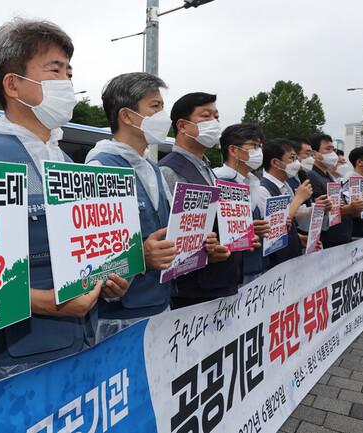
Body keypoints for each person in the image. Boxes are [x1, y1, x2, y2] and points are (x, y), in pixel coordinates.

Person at [0, 19, 129, 384]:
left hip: (85, 348)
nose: (68, 83)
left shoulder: (68, 165)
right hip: (9, 365)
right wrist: (46, 302)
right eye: (54, 70)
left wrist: (111, 277)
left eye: (69, 72)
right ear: (13, 84)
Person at [84, 73, 214, 339]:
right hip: (120, 318)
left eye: (162, 107)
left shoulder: (152, 170)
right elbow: (91, 256)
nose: (163, 116)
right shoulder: (100, 168)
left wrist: (198, 240)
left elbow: (168, 230)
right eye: (155, 107)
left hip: (160, 306)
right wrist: (140, 256)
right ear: (127, 116)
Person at [158, 93, 254, 308]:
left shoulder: (207, 169)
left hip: (219, 282)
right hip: (193, 292)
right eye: (206, 116)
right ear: (182, 125)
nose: (215, 122)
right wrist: (206, 252)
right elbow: (170, 234)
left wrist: (241, 237)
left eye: (217, 117)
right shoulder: (169, 170)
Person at [213, 123, 269, 284]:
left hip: (255, 266)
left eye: (259, 146)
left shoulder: (253, 182)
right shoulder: (217, 182)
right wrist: (246, 229)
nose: (259, 151)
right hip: (230, 273)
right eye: (254, 145)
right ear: (233, 150)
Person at [256, 139, 314, 266]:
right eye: (292, 158)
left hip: (290, 256)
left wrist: (297, 237)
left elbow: (290, 219)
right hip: (274, 263)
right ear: (275, 163)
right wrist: (299, 198)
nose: (297, 163)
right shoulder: (262, 189)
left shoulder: (286, 187)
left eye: (296, 158)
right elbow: (274, 225)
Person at [307, 134, 359, 249]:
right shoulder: (312, 175)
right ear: (314, 154)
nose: (332, 153)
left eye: (333, 149)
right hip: (328, 240)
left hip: (340, 237)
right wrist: (349, 208)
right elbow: (320, 209)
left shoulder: (328, 177)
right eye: (328, 149)